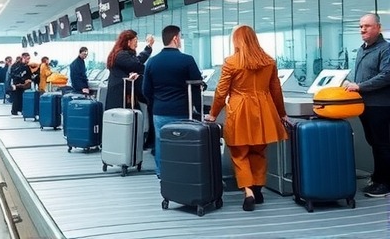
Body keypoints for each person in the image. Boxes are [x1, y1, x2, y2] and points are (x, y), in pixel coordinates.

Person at [205, 25, 289, 212]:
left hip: (240, 111)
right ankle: (258, 188)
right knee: (259, 152)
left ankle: (249, 192)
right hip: (263, 112)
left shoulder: (231, 62)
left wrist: (213, 113)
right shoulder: (269, 61)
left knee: (239, 153)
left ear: (236, 40)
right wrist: (282, 113)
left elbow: (221, 92)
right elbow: (276, 90)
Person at [142, 25, 202, 178]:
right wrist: (198, 109)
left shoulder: (152, 62)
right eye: (180, 37)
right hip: (181, 111)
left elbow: (146, 90)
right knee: (182, 143)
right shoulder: (187, 60)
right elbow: (197, 86)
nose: (180, 40)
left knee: (161, 142)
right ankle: (181, 174)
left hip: (159, 111)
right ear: (175, 38)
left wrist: (156, 102)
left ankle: (162, 173)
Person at [344, 13, 390, 198]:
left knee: (382, 144)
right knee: (374, 143)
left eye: (367, 26)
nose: (363, 29)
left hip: (380, 106)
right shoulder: (362, 50)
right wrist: (349, 82)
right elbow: (358, 75)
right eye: (361, 26)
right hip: (365, 105)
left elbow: (386, 75)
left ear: (378, 27)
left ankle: (385, 183)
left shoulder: (385, 49)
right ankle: (378, 177)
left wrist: (360, 86)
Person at [104, 30, 154, 111]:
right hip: (121, 97)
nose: (136, 45)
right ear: (128, 42)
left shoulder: (121, 54)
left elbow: (137, 60)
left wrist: (148, 47)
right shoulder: (121, 55)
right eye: (135, 41)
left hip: (123, 95)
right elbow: (136, 65)